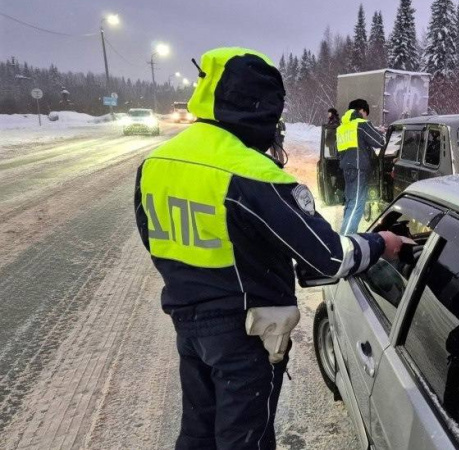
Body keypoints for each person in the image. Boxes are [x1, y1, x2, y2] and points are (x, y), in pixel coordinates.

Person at [133, 47, 403, 450]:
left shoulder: (157, 163)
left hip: (187, 323)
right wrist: (382, 242)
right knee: (246, 440)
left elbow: (153, 238)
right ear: (260, 109)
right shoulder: (253, 173)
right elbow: (328, 257)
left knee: (198, 433)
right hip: (245, 333)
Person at [336, 99, 386, 234]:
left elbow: (337, 152)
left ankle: (346, 233)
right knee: (357, 204)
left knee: (350, 203)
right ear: (362, 110)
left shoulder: (342, 128)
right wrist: (381, 133)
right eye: (366, 113)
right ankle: (346, 237)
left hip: (347, 169)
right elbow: (380, 142)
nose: (366, 117)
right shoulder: (361, 124)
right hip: (359, 170)